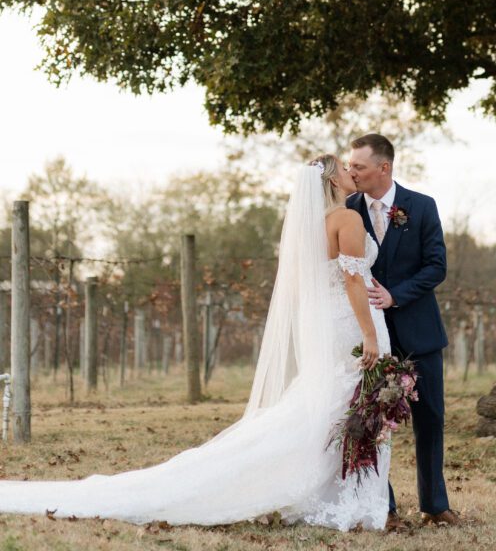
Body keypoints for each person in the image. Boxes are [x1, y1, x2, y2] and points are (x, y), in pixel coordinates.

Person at [0, 157, 392, 531]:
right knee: (348, 404)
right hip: (350, 325)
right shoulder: (347, 218)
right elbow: (352, 281)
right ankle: (342, 495)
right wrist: (370, 335)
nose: (350, 171)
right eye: (344, 167)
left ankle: (334, 492)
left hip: (330, 322)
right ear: (330, 180)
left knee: (334, 406)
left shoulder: (312, 226)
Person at [346, 133, 459, 529]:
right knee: (372, 423)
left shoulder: (422, 206)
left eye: (358, 166)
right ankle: (386, 508)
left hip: (419, 331)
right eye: (350, 165)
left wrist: (397, 296)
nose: (351, 172)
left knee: (430, 418)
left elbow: (436, 266)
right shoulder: (346, 209)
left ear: (384, 167)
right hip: (369, 338)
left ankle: (435, 505)